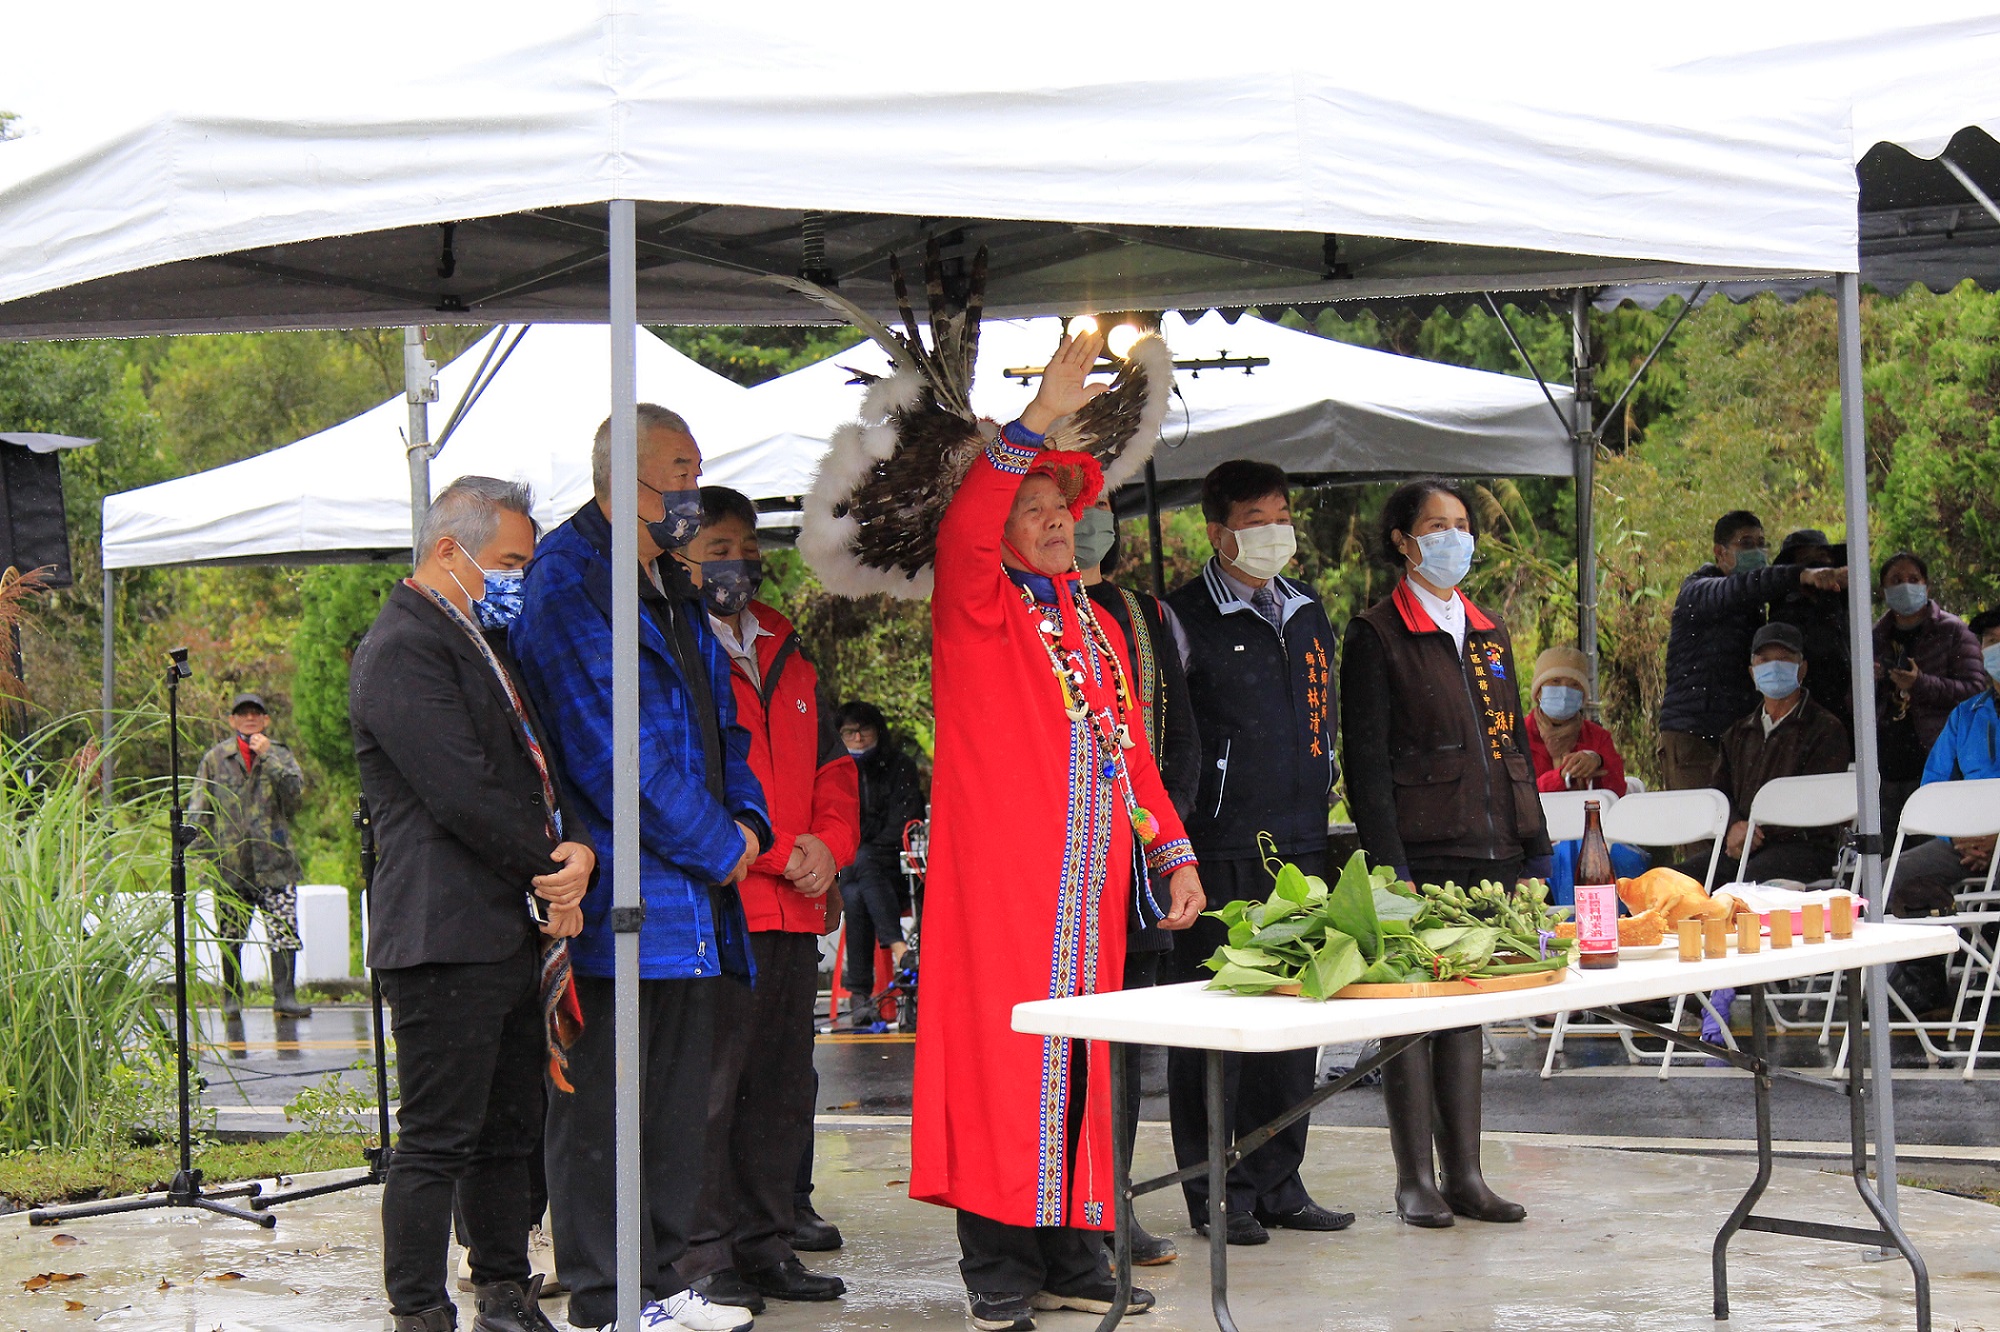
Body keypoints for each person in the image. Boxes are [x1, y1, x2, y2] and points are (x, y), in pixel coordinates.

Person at [912, 328, 1204, 1332]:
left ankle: (1073, 1253)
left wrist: (1170, 852)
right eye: (1031, 509)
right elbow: (965, 524)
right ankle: (997, 1266)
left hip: (1089, 897)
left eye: (1060, 509)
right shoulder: (975, 604)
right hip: (1004, 893)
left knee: (1085, 1066)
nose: (1052, 523)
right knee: (1004, 1068)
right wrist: (1037, 418)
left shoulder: (1092, 621)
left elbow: (1131, 755)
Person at [511, 404, 772, 1332]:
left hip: (692, 899)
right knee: (602, 1113)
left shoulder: (669, 578)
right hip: (620, 891)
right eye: (681, 472)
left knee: (671, 1112)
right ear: (625, 478)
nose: (695, 489)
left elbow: (723, 721)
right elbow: (611, 753)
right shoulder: (570, 579)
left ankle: (661, 1285)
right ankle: (604, 1296)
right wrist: (720, 845)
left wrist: (749, 820)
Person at [350, 477, 596, 1332]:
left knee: (508, 1132)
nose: (518, 579)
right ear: (450, 551)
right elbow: (461, 790)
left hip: (501, 929)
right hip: (443, 935)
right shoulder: (403, 646)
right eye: (510, 562)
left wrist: (573, 851)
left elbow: (534, 766)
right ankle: (420, 1310)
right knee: (437, 1138)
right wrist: (552, 870)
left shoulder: (477, 640)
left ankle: (502, 1290)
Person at [1340, 477, 1547, 1229]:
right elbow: (1365, 763)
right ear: (1403, 541)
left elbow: (1514, 744)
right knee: (1411, 1012)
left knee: (1466, 1011)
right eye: (1436, 526)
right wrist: (1388, 864)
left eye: (1462, 523)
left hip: (1489, 846)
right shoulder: (1375, 634)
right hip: (1421, 848)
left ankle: (1466, 1174)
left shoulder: (1488, 631)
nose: (1454, 537)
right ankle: (1414, 1180)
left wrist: (1534, 841)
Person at [1163, 460, 1352, 1245]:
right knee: (1219, 1031)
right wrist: (1180, 843)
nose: (1274, 532)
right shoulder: (1179, 617)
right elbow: (1172, 738)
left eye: (1281, 516)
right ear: (1218, 531)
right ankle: (1217, 1193)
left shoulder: (1306, 610)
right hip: (1220, 847)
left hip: (1302, 843)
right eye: (1254, 518)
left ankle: (1280, 1181)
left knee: (1295, 1023)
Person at [682, 487, 859, 1313]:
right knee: (713, 1094)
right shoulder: (673, 643)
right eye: (718, 549)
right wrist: (789, 855)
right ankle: (705, 1257)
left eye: (747, 548)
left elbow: (833, 767)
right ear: (680, 554)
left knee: (781, 1088)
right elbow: (689, 787)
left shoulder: (786, 643)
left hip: (794, 911)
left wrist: (831, 848)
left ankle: (766, 1245)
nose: (738, 564)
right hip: (724, 908)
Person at [1076, 492, 1199, 1267]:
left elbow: (1177, 738)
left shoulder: (1143, 614)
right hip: (1064, 868)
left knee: (1122, 1053)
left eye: (1099, 506)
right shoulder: (1023, 609)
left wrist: (1161, 841)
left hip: (1138, 863)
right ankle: (1068, 1215)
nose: (1084, 521)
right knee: (1072, 1047)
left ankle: (1111, 1203)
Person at [1658, 510, 1846, 791]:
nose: (1757, 552)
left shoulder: (1754, 607)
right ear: (1720, 553)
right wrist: (1802, 575)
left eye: (1761, 543)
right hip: (1693, 735)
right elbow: (1739, 588)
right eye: (1746, 544)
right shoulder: (1698, 591)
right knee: (1704, 815)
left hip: (1735, 735)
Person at [1883, 607, 2000, 1013]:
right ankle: (1925, 985)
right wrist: (1961, 836)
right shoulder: (1965, 715)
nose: (1997, 648)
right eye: (1991, 641)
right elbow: (1934, 788)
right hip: (1965, 841)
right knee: (1894, 874)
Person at [1678, 622, 1851, 886]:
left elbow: (1818, 804)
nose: (1774, 667)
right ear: (1752, 672)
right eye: (1764, 660)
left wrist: (1757, 832)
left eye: (1784, 659)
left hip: (1804, 850)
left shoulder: (1826, 729)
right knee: (1677, 879)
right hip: (1742, 848)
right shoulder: (1738, 732)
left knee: (1751, 884)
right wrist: (1733, 826)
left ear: (1802, 669)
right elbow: (1718, 792)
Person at [188, 691, 312, 1018]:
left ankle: (285, 998)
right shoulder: (215, 759)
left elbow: (296, 798)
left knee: (283, 931)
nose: (250, 719)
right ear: (232, 721)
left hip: (275, 862)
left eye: (256, 713)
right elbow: (200, 807)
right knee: (231, 935)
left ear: (266, 720)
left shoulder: (280, 754)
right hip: (231, 864)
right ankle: (232, 999)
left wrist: (269, 757)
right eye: (243, 714)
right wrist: (198, 854)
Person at [1872, 552, 1985, 837]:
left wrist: (1920, 684)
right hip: (1885, 765)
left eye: (1914, 579)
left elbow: (1975, 691)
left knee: (1929, 843)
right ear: (1883, 590)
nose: (1905, 586)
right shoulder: (1874, 636)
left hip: (1937, 759)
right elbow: (1852, 703)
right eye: (1896, 580)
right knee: (1887, 850)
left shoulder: (1953, 631)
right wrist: (1870, 682)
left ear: (1927, 586)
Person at [1523, 646, 1645, 903]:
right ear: (1539, 690)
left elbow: (1616, 794)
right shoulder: (1518, 735)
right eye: (1555, 681)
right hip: (1535, 844)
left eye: (1574, 685)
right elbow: (1521, 795)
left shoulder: (1597, 737)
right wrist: (1561, 777)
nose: (1564, 691)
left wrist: (1598, 761)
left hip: (1594, 840)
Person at [835, 700, 925, 1028]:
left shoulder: (899, 766)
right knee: (856, 886)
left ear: (878, 731)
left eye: (864, 730)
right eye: (849, 732)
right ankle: (901, 952)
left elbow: (905, 820)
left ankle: (859, 994)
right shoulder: (836, 769)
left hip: (896, 870)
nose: (858, 738)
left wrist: (867, 849)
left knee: (859, 873)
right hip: (858, 870)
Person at [1767, 529, 1853, 734]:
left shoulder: (1844, 605)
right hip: (1806, 719)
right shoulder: (1785, 614)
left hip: (1846, 712)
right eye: (1808, 560)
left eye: (1824, 557)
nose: (1821, 566)